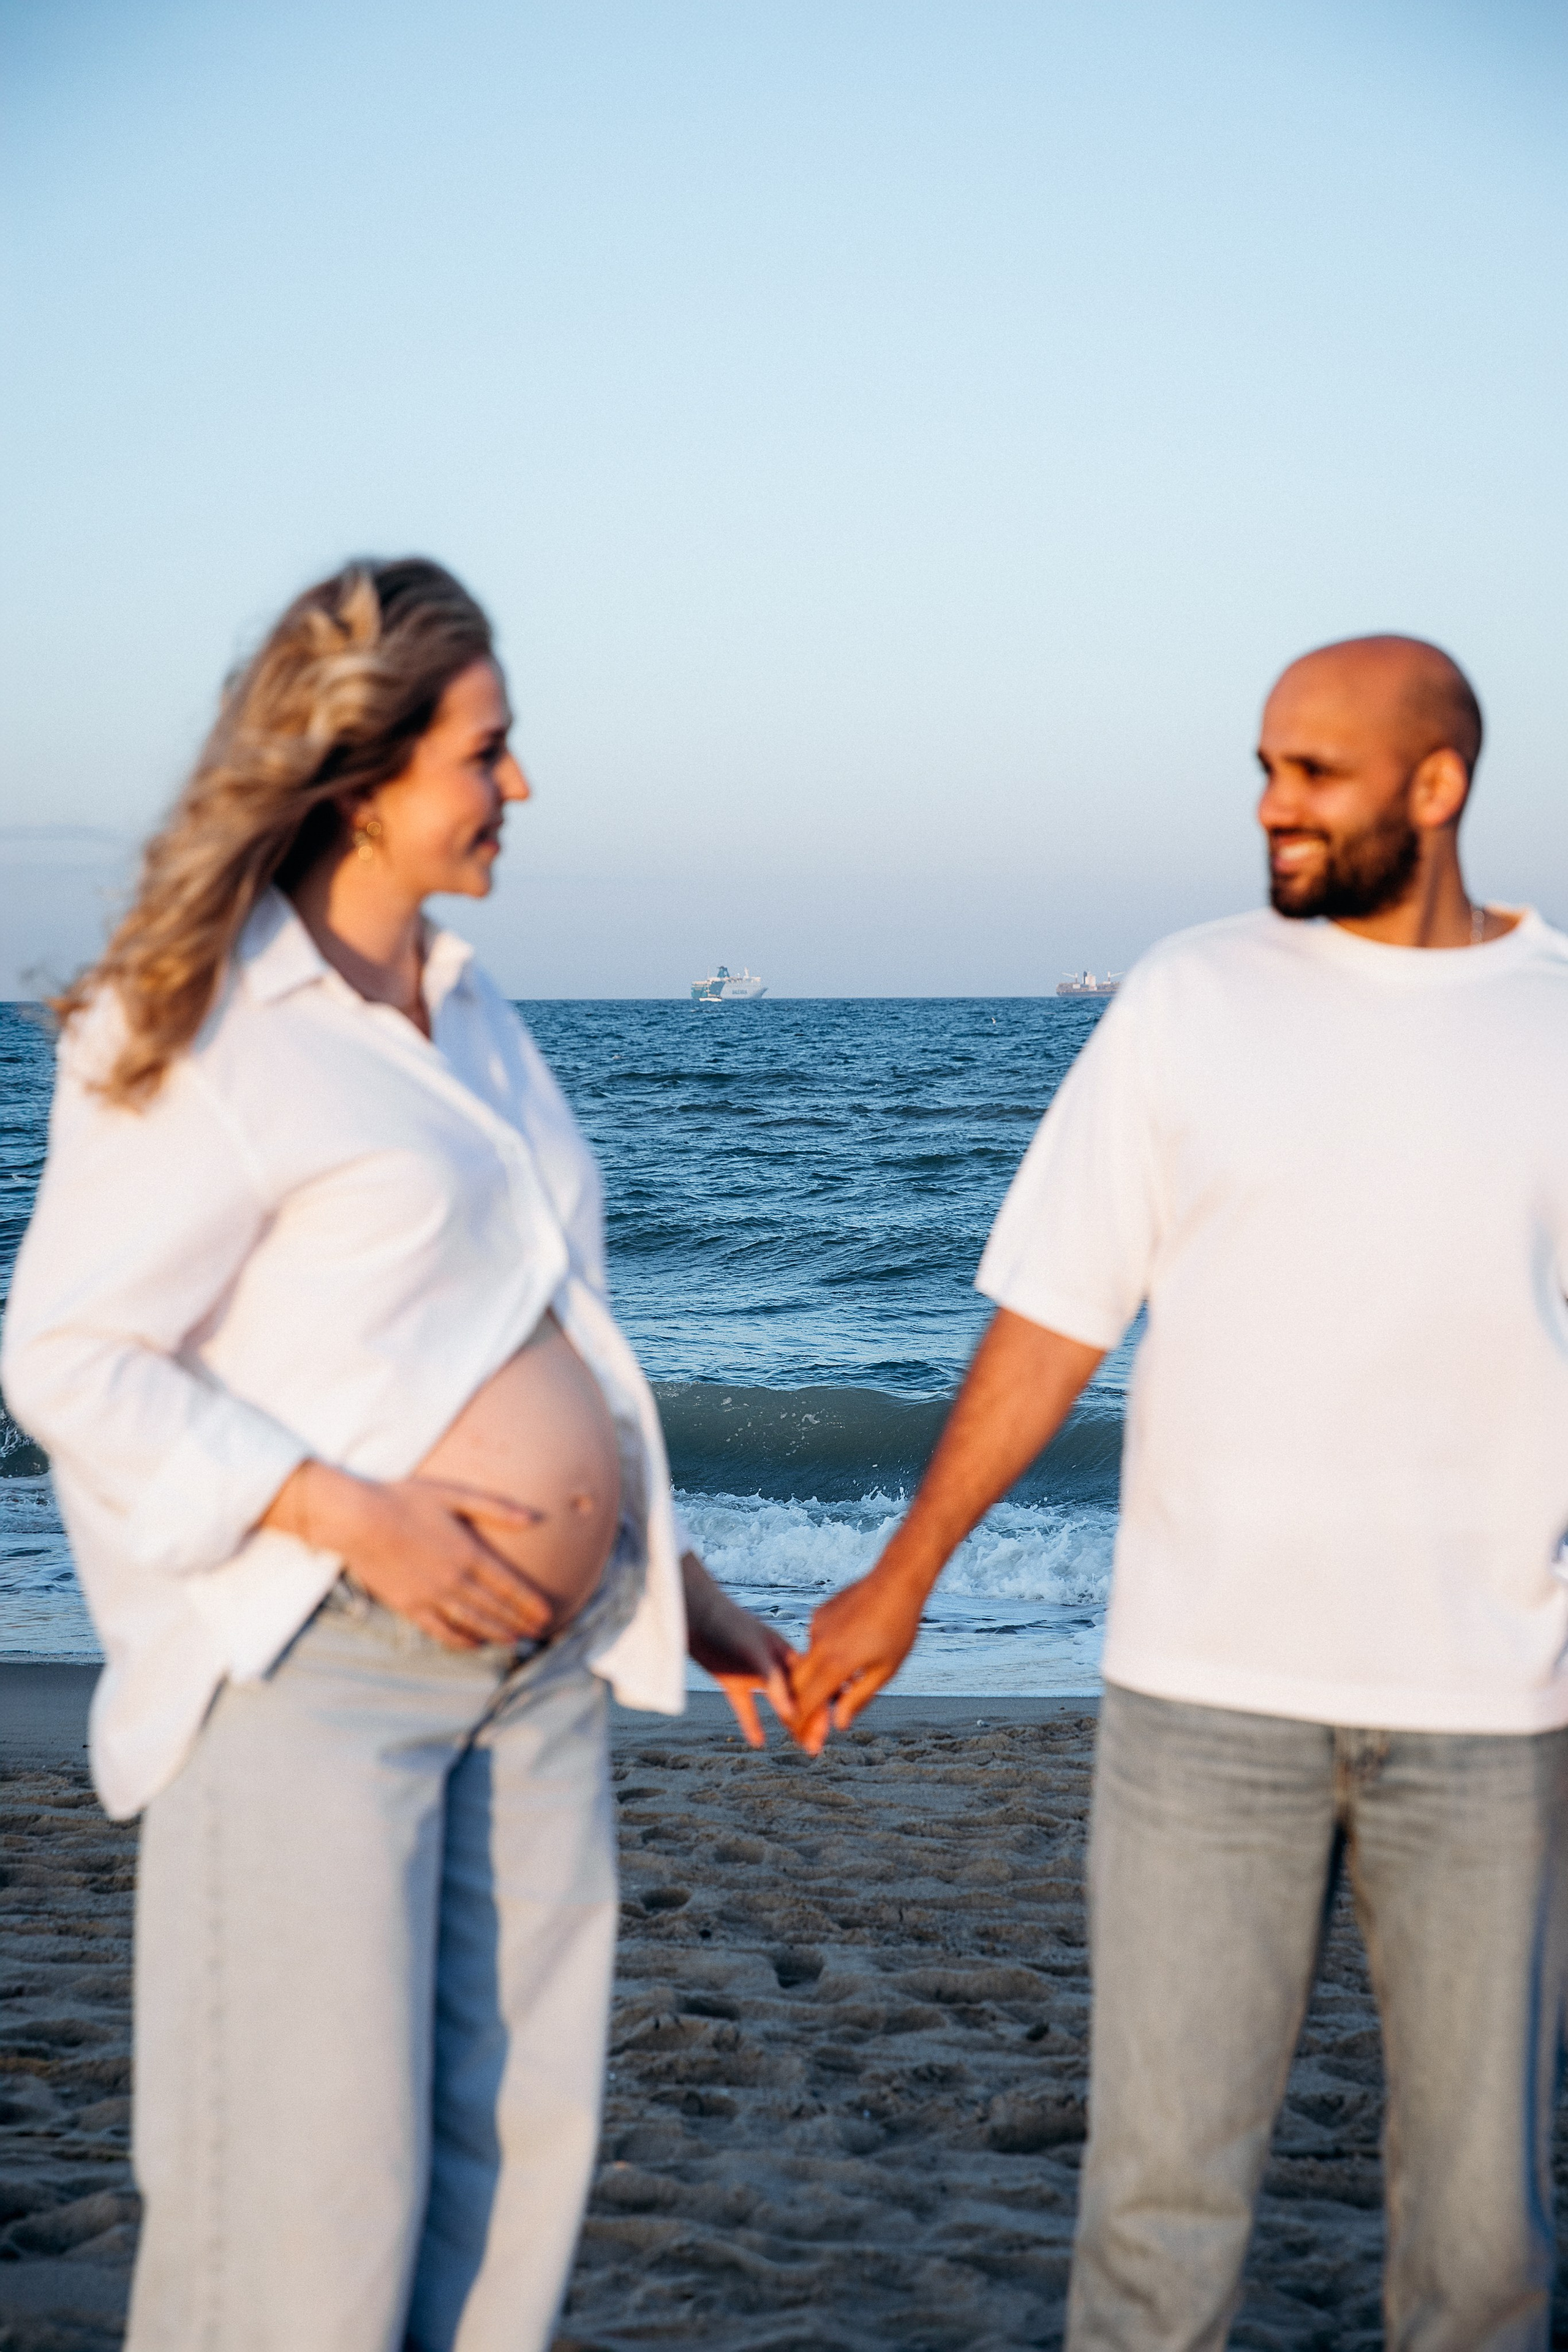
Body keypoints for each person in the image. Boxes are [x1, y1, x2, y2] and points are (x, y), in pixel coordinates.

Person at [1, 557, 796, 2352]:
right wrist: (347, 1510)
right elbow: (65, 1355)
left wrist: (672, 1577)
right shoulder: (188, 1021)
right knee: (303, 2227)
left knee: (503, 2198)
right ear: (360, 773)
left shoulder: (478, 1010)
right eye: (488, 751)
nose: (520, 787)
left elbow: (531, 1324)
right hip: (317, 1672)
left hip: (540, 1676)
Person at [791, 635, 1568, 2348]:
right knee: (1158, 2219)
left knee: (1487, 2245)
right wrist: (905, 1574)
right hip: (1202, 1701)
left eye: (1316, 775)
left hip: (1490, 1711)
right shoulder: (1192, 998)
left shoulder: (1557, 1025)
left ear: (1437, 790)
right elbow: (1055, 1317)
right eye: (1265, 767)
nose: (1272, 807)